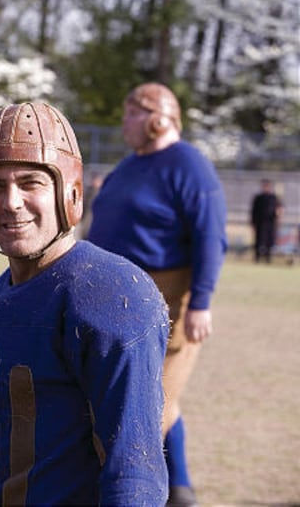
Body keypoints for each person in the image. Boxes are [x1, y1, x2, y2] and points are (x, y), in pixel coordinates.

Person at [0, 102, 169, 505]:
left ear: (71, 193)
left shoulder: (112, 293)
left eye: (31, 183)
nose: (11, 202)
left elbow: (134, 471)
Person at [87, 82, 227, 507]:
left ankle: (147, 493)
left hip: (167, 298)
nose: (124, 123)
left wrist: (200, 301)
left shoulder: (189, 165)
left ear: (158, 117)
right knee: (141, 398)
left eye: (132, 114)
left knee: (149, 401)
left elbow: (210, 236)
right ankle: (180, 488)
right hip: (114, 298)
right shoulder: (129, 166)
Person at [250, 178, 283, 263]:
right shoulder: (258, 198)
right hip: (260, 223)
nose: (265, 188)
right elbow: (253, 211)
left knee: (269, 241)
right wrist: (253, 222)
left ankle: (268, 259)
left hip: (270, 223)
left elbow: (279, 210)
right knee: (259, 240)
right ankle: (257, 258)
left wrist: (278, 213)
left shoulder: (274, 198)